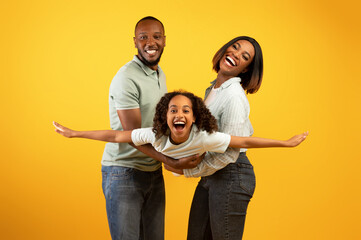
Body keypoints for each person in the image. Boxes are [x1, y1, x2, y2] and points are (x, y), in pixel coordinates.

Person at [99, 17, 201, 240]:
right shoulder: (126, 77)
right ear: (135, 41)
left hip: (152, 171)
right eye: (143, 37)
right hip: (124, 172)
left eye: (156, 37)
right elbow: (134, 135)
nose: (150, 42)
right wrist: (171, 161)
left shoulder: (159, 73)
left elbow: (158, 127)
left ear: (164, 41)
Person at [53, 91, 307, 163]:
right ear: (165, 118)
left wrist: (285, 143)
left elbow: (245, 142)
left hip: (197, 166)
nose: (180, 114)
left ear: (194, 118)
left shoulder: (205, 137)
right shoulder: (155, 134)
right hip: (173, 166)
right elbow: (116, 134)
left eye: (186, 111)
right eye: (173, 110)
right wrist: (75, 133)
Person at [183, 36, 272, 240]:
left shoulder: (233, 95)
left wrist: (191, 170)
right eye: (235, 47)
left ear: (246, 69)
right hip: (213, 172)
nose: (235, 54)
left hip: (231, 173)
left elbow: (230, 152)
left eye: (244, 56)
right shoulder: (213, 89)